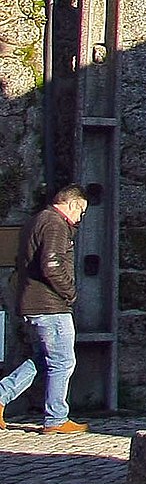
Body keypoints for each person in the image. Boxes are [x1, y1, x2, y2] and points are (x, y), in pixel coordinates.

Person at [0, 183, 89, 434]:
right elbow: (51, 263)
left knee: (42, 359)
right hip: (51, 305)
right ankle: (56, 418)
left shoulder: (35, 220)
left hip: (32, 303)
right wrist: (69, 292)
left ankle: (1, 397)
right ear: (72, 204)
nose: (79, 219)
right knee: (63, 360)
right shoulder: (55, 223)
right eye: (80, 212)